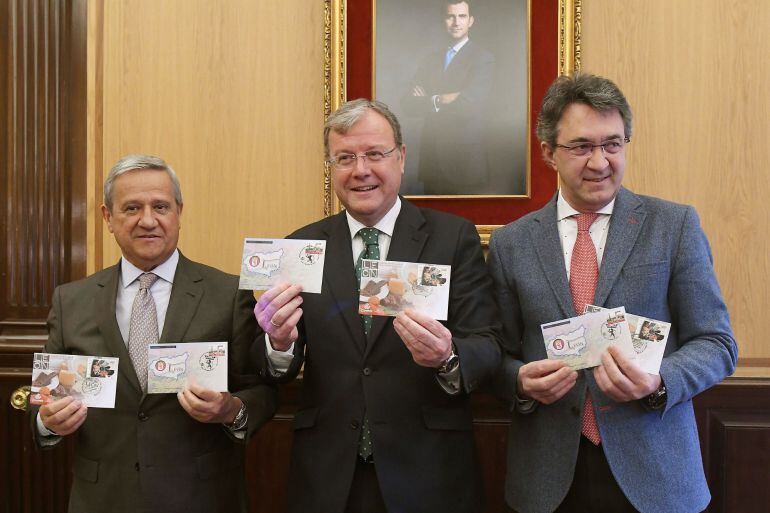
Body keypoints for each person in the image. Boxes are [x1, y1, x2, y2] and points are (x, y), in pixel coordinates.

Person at [487, 73, 738, 513]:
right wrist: (518, 382)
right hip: (548, 480)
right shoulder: (512, 243)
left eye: (613, 144)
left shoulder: (674, 226)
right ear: (549, 152)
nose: (600, 162)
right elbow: (498, 353)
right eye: (582, 146)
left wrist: (660, 382)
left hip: (655, 474)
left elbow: (717, 344)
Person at [254, 99, 501, 513]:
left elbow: (488, 343)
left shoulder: (451, 238)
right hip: (328, 477)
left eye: (374, 154)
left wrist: (447, 355)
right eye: (345, 158)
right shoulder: (300, 246)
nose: (361, 170)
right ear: (332, 167)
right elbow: (274, 366)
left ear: (401, 158)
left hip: (428, 472)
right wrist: (278, 343)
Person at [29, 155, 277, 513]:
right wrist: (47, 422)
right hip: (103, 499)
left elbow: (262, 390)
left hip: (201, 498)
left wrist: (230, 410)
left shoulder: (227, 294)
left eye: (160, 206)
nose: (148, 220)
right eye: (131, 208)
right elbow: (44, 400)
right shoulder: (71, 301)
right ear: (107, 218)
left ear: (179, 212)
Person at [402, 0, 494, 195]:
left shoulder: (482, 58)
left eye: (461, 16)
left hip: (464, 162)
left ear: (471, 21)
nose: (456, 22)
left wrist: (428, 99)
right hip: (431, 161)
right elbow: (408, 104)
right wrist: (442, 99)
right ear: (443, 20)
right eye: (450, 16)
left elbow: (469, 104)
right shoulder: (430, 60)